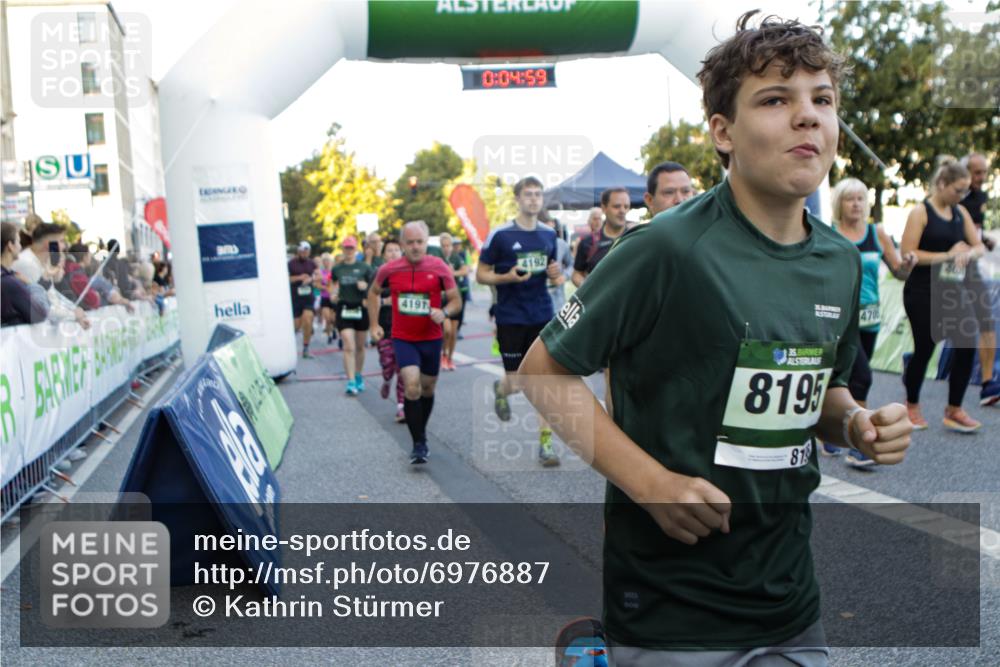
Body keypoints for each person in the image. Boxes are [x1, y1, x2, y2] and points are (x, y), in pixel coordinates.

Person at [519, 12, 911, 664]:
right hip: (672, 604)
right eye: (776, 99)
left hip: (789, 598)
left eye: (823, 100)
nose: (807, 116)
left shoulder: (840, 262)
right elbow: (542, 373)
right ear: (723, 132)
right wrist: (650, 482)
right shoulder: (664, 248)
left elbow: (824, 394)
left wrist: (859, 424)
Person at [821, 178, 917, 466]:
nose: (856, 204)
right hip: (840, 320)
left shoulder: (877, 233)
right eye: (850, 199)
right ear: (840, 203)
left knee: (847, 379)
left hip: (870, 318)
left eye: (861, 199)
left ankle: (831, 429)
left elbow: (898, 272)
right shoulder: (829, 233)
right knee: (862, 376)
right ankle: (860, 441)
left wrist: (908, 266)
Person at [476, 176, 565, 467]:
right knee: (517, 382)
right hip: (511, 317)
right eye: (528, 194)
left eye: (538, 194)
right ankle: (501, 390)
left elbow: (556, 276)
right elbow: (481, 274)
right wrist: (506, 277)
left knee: (543, 382)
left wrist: (554, 274)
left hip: (541, 314)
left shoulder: (549, 235)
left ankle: (546, 444)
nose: (534, 199)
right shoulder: (500, 235)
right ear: (517, 199)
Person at [901, 157, 987, 432]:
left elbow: (979, 247)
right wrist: (947, 255)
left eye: (964, 191)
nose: (961, 195)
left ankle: (954, 409)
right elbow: (909, 253)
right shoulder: (921, 212)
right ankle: (911, 405)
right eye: (957, 190)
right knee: (925, 349)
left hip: (951, 290)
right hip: (921, 290)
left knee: (966, 342)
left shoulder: (960, 212)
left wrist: (967, 251)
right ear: (941, 183)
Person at [369, 221, 459, 463]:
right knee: (411, 386)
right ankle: (418, 443)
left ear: (426, 242)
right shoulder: (389, 269)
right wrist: (374, 324)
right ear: (402, 244)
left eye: (420, 242)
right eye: (410, 242)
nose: (416, 247)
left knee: (427, 389)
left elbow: (455, 300)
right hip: (404, 338)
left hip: (431, 338)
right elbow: (373, 293)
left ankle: (420, 431)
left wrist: (445, 313)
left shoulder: (439, 267)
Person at [959, 152, 998, 405]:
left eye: (984, 172)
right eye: (977, 172)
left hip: (971, 267)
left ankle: (987, 383)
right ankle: (913, 362)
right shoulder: (955, 195)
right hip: (946, 268)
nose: (981, 178)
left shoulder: (981, 197)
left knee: (986, 319)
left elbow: (973, 230)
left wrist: (983, 240)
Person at [332, 236, 375, 395]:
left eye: (351, 248)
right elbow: (334, 286)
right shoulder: (337, 269)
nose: (349, 251)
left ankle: (357, 375)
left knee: (360, 346)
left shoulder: (364, 267)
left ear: (356, 249)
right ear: (342, 249)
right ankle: (350, 381)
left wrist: (366, 287)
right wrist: (333, 295)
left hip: (360, 308)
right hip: (344, 308)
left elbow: (374, 288)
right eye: (346, 248)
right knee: (349, 345)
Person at [374, 239, 406, 422]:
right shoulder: (378, 274)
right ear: (383, 254)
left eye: (396, 250)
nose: (393, 253)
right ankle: (386, 380)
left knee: (402, 369)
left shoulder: (406, 273)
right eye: (389, 250)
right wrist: (384, 303)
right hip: (384, 327)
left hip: (403, 329)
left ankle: (401, 406)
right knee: (388, 364)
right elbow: (367, 301)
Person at [572, 187, 629, 287]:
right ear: (604, 208)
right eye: (617, 206)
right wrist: (588, 289)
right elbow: (577, 273)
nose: (622, 211)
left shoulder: (636, 237)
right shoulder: (587, 242)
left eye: (626, 206)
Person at [2, 222, 48, 326]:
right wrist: (30, 284)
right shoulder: (9, 282)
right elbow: (40, 314)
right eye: (18, 241)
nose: (20, 246)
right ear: (10, 246)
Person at [439, 232, 470, 371]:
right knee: (446, 330)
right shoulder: (437, 259)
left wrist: (453, 273)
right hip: (443, 299)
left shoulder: (456, 257)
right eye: (444, 245)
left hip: (456, 298)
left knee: (453, 332)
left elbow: (465, 270)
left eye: (448, 245)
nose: (446, 248)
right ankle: (443, 354)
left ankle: (449, 358)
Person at [288, 241, 318, 359]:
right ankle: (287, 346)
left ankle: (306, 348)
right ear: (298, 251)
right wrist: (299, 278)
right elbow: (286, 278)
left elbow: (318, 275)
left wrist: (310, 279)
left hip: (308, 297)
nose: (305, 253)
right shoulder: (291, 263)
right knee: (296, 326)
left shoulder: (312, 263)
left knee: (307, 318)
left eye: (307, 251)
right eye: (303, 251)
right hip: (295, 297)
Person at [540, 211, 573, 313]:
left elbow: (572, 265)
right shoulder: (529, 246)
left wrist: (564, 277)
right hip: (536, 306)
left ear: (553, 224)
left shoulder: (561, 244)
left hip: (558, 305)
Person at [317, 252, 337, 345]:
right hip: (325, 298)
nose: (326, 262)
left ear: (331, 261)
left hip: (334, 298)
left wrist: (333, 289)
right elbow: (317, 285)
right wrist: (325, 288)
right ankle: (329, 335)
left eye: (328, 260)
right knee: (327, 318)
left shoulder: (335, 271)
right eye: (324, 260)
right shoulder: (320, 272)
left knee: (334, 319)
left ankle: (333, 330)